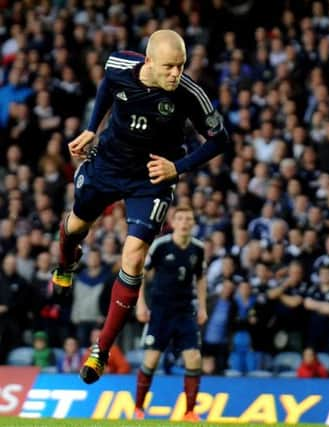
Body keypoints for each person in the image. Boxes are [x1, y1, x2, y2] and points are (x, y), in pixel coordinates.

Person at [48, 29, 228, 385]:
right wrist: (91, 128)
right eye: (169, 67)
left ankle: (101, 349)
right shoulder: (118, 64)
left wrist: (179, 167)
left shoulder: (190, 93)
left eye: (180, 66)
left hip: (152, 176)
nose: (176, 74)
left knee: (133, 257)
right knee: (74, 228)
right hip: (108, 164)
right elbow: (107, 87)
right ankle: (66, 263)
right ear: (148, 61)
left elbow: (220, 139)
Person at [134, 205, 207, 421]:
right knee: (151, 361)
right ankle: (138, 408)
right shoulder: (161, 245)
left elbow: (201, 278)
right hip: (160, 312)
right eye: (181, 219)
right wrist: (140, 304)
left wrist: (202, 306)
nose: (185, 222)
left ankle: (190, 412)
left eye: (189, 219)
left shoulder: (198, 248)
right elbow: (140, 273)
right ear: (174, 223)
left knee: (194, 358)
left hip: (185, 312)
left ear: (193, 223)